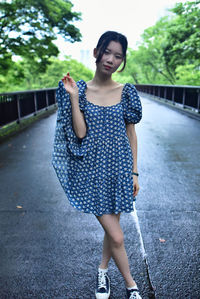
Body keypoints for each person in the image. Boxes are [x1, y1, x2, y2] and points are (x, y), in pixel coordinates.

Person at [52, 31, 143, 299]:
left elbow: (131, 133)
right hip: (92, 172)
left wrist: (134, 171)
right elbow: (80, 134)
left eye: (118, 56)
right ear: (96, 52)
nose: (111, 59)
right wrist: (73, 97)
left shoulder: (126, 92)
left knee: (111, 229)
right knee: (117, 236)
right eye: (107, 52)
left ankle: (102, 271)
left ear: (122, 61)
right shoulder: (80, 90)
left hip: (119, 170)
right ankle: (131, 286)